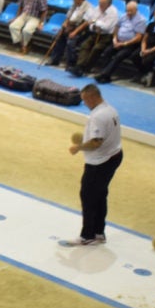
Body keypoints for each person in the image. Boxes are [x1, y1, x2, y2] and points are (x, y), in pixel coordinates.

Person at [63, 85, 122, 248]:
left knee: (88, 196)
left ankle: (87, 235)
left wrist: (79, 147)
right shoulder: (110, 110)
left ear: (92, 97)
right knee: (100, 195)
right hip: (114, 155)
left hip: (100, 161)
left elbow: (96, 142)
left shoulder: (98, 116)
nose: (85, 103)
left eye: (85, 100)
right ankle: (99, 232)